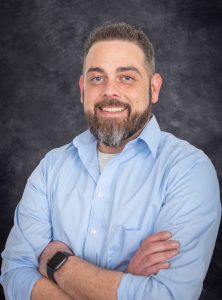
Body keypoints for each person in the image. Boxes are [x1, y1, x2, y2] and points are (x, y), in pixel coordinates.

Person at [0, 22, 221, 300]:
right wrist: (125, 281)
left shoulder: (188, 171)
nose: (109, 92)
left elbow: (166, 295)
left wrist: (55, 262)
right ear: (83, 89)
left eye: (126, 78)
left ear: (153, 88)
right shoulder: (50, 168)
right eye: (97, 78)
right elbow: (14, 274)